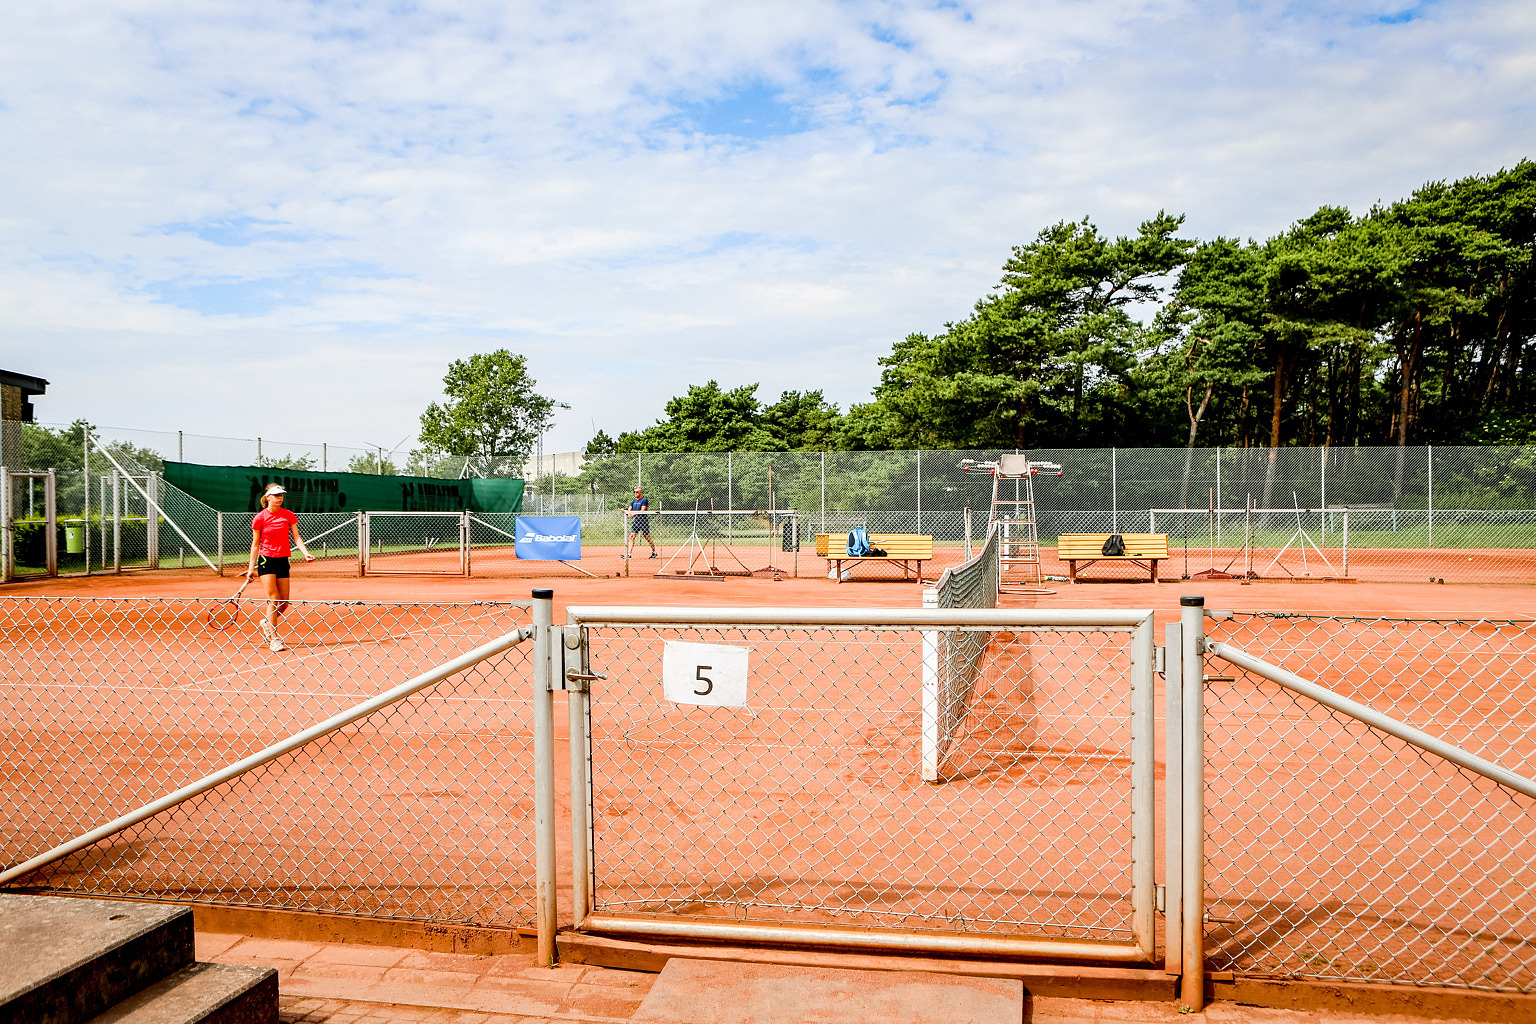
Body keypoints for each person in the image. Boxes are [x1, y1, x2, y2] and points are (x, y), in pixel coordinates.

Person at [246, 484, 314, 652]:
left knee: (284, 602)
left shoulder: (288, 515)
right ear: (267, 497)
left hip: (283, 560)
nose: (279, 498)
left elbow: (296, 537)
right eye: (276, 495)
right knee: (273, 597)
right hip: (266, 560)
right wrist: (250, 568)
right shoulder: (260, 518)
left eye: (281, 495)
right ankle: (274, 638)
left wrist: (305, 553)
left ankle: (267, 623)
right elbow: (255, 545)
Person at [628, 486, 657, 559]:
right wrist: (628, 512)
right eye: (634, 492)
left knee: (647, 537)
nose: (636, 493)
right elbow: (630, 507)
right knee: (632, 537)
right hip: (636, 521)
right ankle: (629, 554)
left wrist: (632, 514)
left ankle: (654, 552)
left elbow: (642, 510)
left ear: (641, 492)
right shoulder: (634, 501)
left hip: (643, 521)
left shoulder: (644, 500)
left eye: (637, 492)